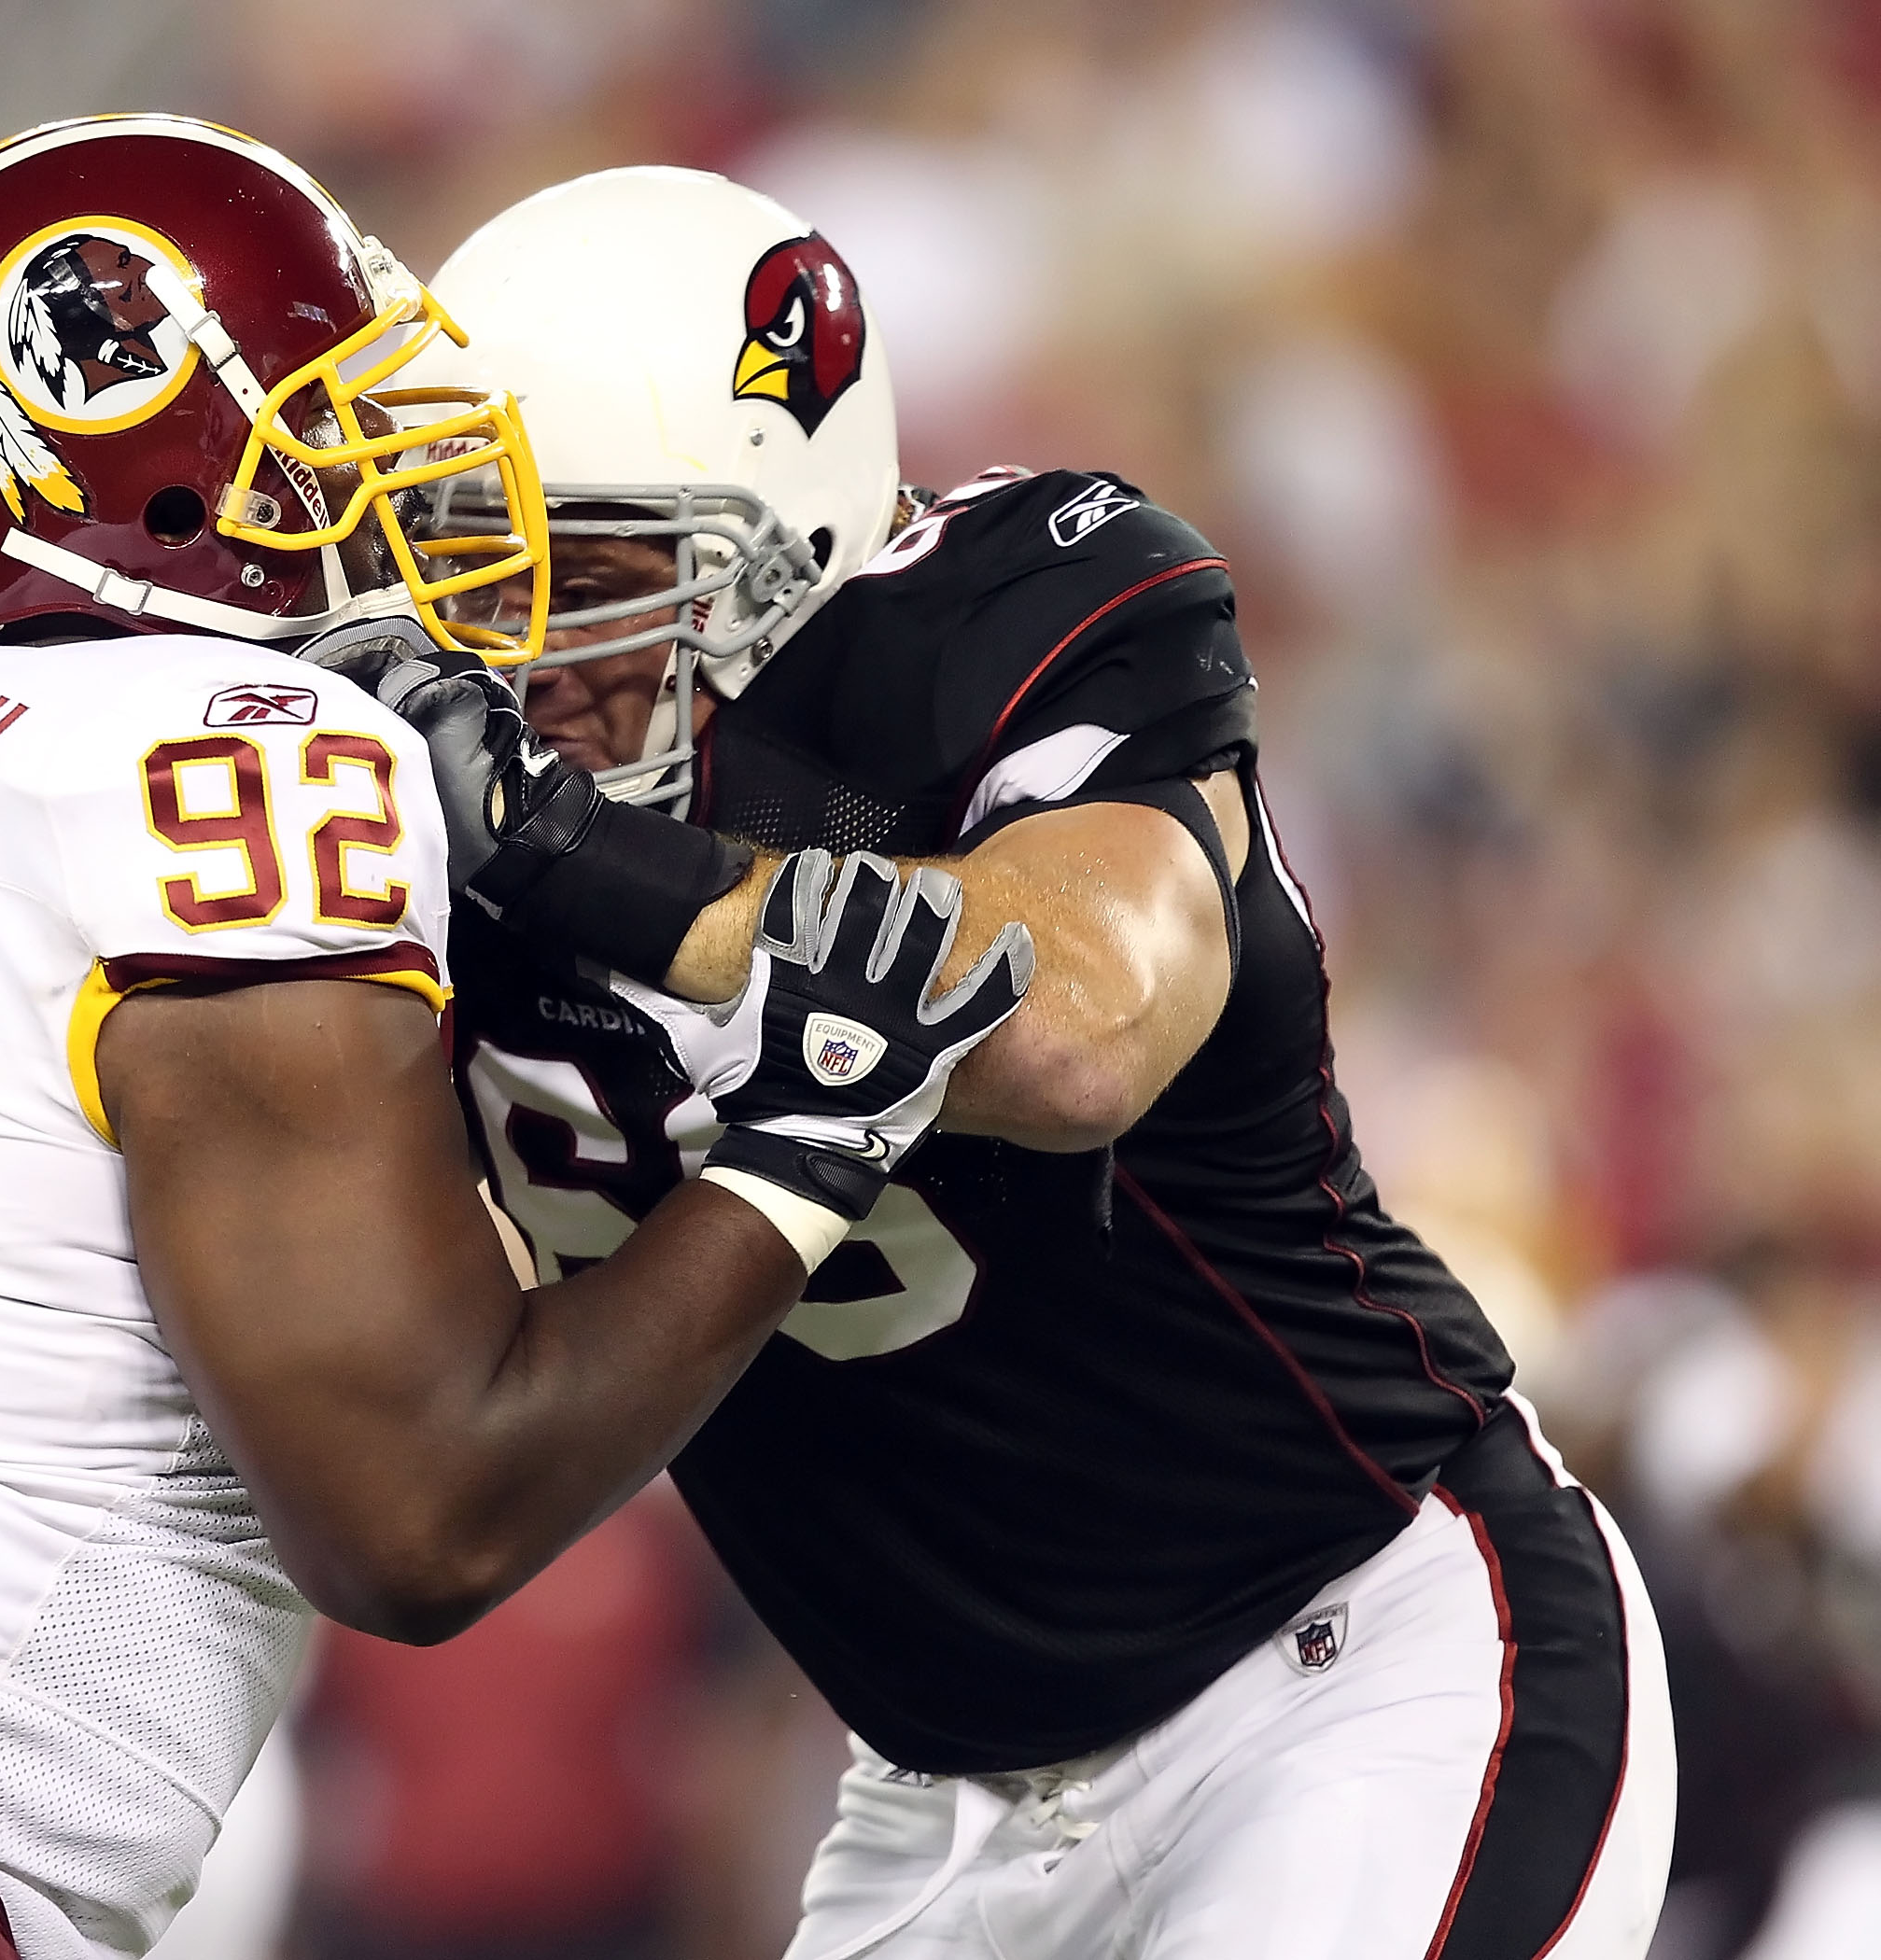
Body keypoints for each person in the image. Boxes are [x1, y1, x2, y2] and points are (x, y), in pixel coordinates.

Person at [0, 118, 1034, 1960]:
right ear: (139, 486)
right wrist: (801, 1150)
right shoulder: (242, 772)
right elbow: (416, 1518)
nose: (376, 493)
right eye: (321, 440)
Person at [364, 166, 1677, 1959]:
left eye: (577, 573)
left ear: (768, 539)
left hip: (1356, 1668)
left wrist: (576, 861)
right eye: (460, 558)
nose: (505, 645)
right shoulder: (405, 778)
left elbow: (1073, 1031)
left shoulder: (1004, 625)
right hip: (945, 1810)